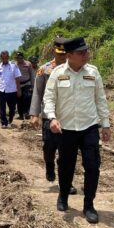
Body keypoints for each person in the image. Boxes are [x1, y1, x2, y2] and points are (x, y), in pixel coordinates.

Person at [43, 37, 111, 224]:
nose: (86, 55)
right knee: (66, 165)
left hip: (89, 126)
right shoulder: (57, 73)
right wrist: (52, 118)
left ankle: (89, 205)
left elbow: (100, 99)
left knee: (92, 166)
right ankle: (63, 196)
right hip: (65, 129)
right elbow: (48, 99)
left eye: (86, 52)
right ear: (69, 55)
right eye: (81, 53)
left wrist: (105, 124)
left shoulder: (93, 72)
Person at [30, 37, 76, 195]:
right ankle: (49, 163)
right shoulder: (44, 70)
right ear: (53, 51)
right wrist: (34, 114)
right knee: (49, 147)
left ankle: (66, 183)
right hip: (49, 115)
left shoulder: (74, 69)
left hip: (69, 116)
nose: (63, 56)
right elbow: (37, 92)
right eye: (60, 53)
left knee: (67, 152)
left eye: (65, 53)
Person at [0, 51, 21, 129]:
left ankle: (10, 120)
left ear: (8, 57)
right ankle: (4, 122)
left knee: (12, 108)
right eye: (3, 58)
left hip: (12, 90)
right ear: (1, 58)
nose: (4, 59)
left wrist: (19, 90)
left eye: (6, 58)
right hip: (2, 90)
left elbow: (17, 78)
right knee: (2, 107)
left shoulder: (14, 66)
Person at [15, 52, 36, 120]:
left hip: (27, 83)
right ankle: (20, 114)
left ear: (23, 57)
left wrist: (33, 86)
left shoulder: (28, 64)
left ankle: (27, 113)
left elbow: (32, 74)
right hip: (18, 85)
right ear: (16, 58)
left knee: (27, 98)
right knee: (19, 100)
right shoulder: (14, 65)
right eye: (18, 58)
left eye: (21, 58)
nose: (19, 59)